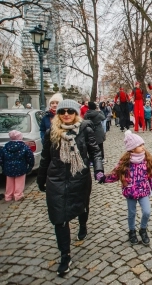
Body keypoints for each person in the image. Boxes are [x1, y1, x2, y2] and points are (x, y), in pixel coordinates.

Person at [37, 99, 104, 276]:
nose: (66, 114)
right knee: (59, 218)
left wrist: (98, 169)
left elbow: (95, 152)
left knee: (82, 206)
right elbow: (45, 157)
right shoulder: (51, 132)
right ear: (58, 114)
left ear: (76, 114)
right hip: (56, 180)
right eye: (62, 111)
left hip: (79, 177)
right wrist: (41, 178)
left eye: (70, 111)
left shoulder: (85, 129)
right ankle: (65, 255)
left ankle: (83, 224)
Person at [97, 130, 152, 245]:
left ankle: (143, 230)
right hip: (130, 191)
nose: (143, 147)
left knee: (147, 212)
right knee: (131, 213)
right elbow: (116, 174)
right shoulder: (125, 161)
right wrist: (104, 178)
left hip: (143, 191)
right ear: (132, 148)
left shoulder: (147, 159)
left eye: (143, 144)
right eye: (140, 145)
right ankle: (132, 231)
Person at [0, 130, 34, 202]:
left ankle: (8, 196)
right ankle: (18, 195)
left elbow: (1, 157)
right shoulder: (24, 146)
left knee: (9, 182)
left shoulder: (6, 146)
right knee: (19, 182)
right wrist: (30, 165)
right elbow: (30, 156)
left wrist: (3, 166)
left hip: (8, 167)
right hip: (20, 167)